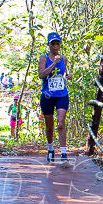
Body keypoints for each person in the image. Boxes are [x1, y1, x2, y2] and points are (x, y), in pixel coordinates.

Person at [38, 32, 72, 164]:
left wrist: (67, 76)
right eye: (53, 43)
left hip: (62, 94)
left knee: (61, 123)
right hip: (47, 96)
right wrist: (53, 64)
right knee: (49, 126)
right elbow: (41, 75)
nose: (56, 46)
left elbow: (64, 73)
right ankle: (51, 149)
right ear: (49, 45)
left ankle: (64, 153)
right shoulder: (43, 58)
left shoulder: (64, 58)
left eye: (58, 43)